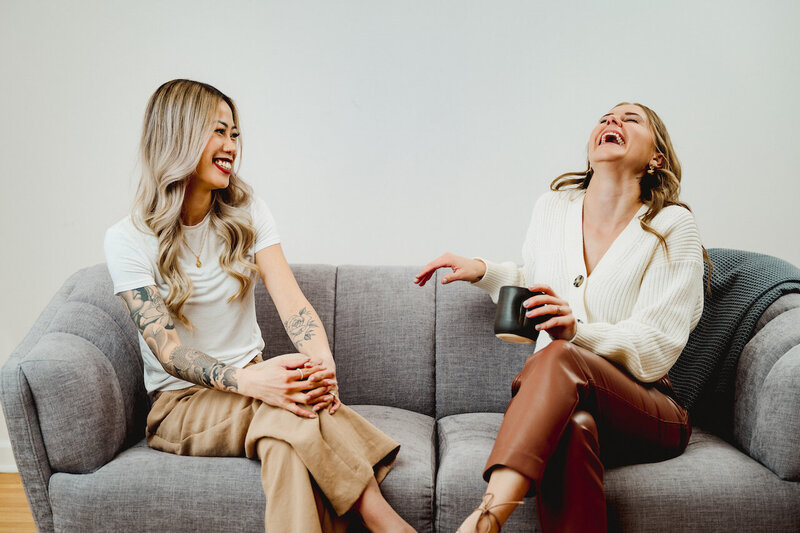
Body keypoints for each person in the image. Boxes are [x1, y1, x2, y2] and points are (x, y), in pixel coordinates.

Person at [104, 79, 414, 533]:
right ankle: (387, 522)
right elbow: (168, 353)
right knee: (291, 411)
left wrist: (321, 365)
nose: (231, 145)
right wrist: (252, 381)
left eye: (235, 134)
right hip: (180, 404)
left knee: (287, 440)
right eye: (218, 132)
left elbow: (292, 302)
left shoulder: (247, 211)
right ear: (178, 135)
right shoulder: (128, 238)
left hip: (257, 380)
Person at [414, 103, 708, 533]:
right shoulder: (553, 208)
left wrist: (578, 333)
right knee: (572, 426)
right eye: (606, 117)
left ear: (656, 158)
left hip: (646, 407)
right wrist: (484, 271)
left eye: (630, 119)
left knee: (558, 355)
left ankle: (486, 516)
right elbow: (539, 285)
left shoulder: (671, 225)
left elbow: (657, 345)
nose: (612, 122)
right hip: (562, 398)